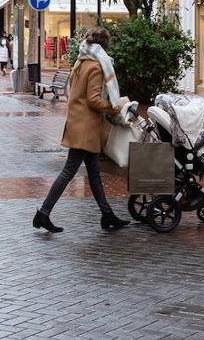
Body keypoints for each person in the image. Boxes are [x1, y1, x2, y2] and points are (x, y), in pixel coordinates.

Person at [33, 27, 131, 233]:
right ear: (104, 46)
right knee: (69, 171)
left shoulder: (81, 61)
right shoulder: (95, 66)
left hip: (79, 124)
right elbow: (94, 99)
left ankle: (107, 215)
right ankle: (43, 213)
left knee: (94, 174)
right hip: (86, 127)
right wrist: (115, 107)